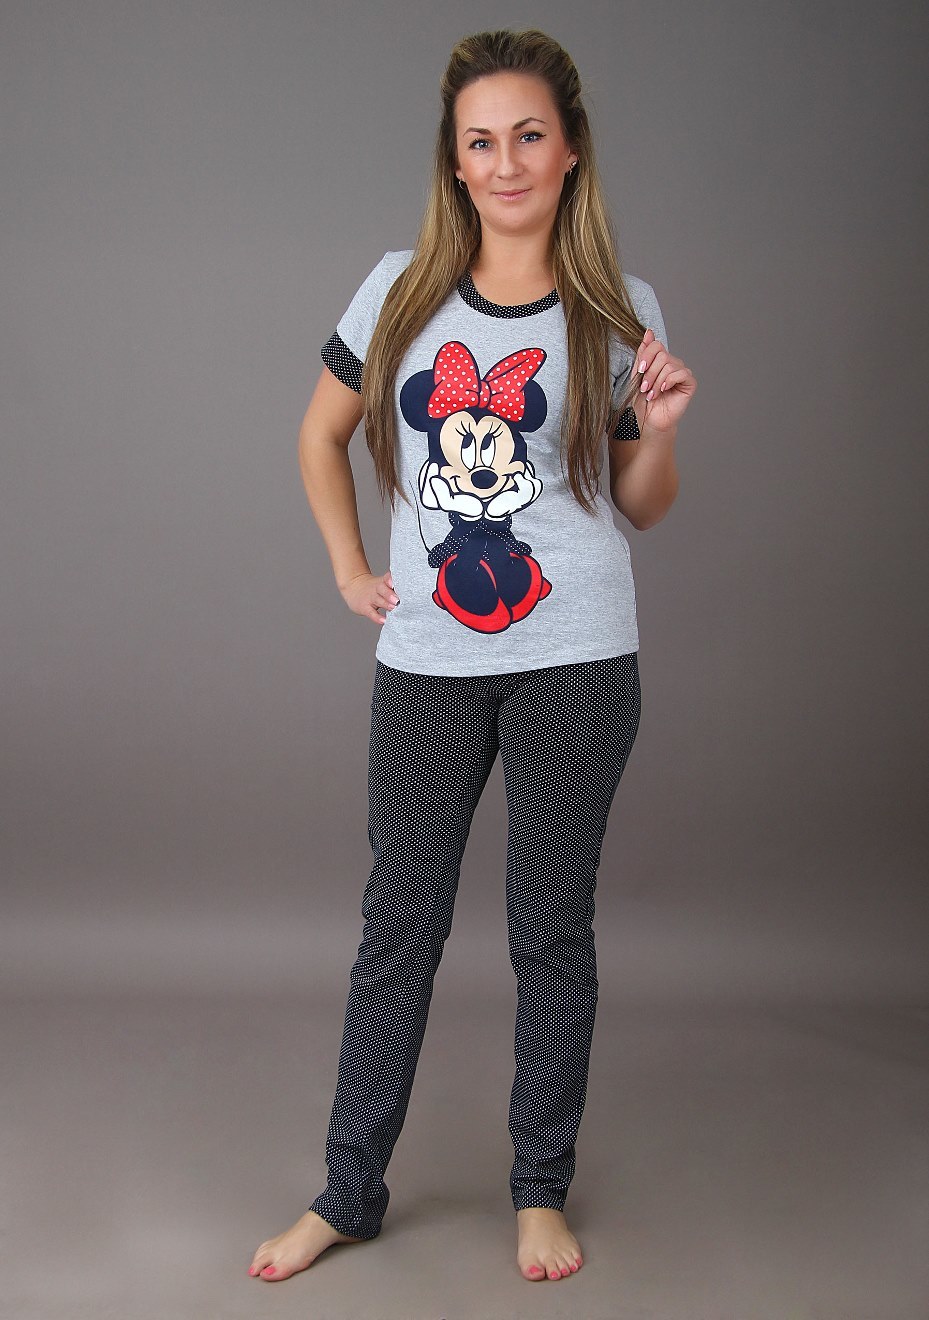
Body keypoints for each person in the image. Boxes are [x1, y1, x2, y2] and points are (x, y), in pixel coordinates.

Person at [249, 26, 697, 1287]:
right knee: (397, 924)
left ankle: (538, 1188)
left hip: (578, 660)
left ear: (570, 151)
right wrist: (349, 567)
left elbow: (642, 505)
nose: (505, 164)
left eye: (528, 137)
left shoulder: (619, 309)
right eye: (479, 143)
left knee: (550, 931)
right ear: (453, 164)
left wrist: (659, 431)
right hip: (427, 664)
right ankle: (348, 1190)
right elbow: (317, 435)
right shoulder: (399, 291)